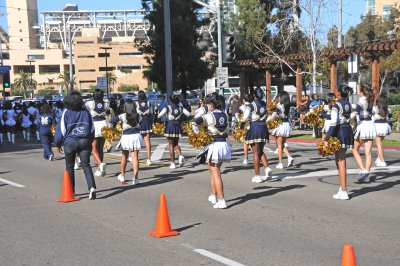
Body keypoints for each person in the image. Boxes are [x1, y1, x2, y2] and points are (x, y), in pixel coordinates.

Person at [54, 91, 97, 200]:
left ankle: (71, 190)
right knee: (86, 165)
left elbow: (62, 130)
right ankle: (91, 187)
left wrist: (57, 143)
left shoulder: (66, 112)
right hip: (85, 141)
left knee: (69, 167)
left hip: (70, 142)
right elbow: (92, 128)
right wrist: (90, 140)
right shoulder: (86, 112)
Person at [193, 94, 231, 209]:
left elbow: (195, 122)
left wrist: (197, 134)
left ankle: (222, 200)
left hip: (214, 146)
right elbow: (227, 130)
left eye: (210, 104)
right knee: (213, 171)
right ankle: (213, 195)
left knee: (216, 173)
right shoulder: (225, 115)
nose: (209, 106)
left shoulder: (209, 116)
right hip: (224, 145)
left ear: (212, 105)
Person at [324, 85, 354, 200]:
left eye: (336, 91)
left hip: (340, 131)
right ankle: (342, 188)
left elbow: (334, 123)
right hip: (347, 130)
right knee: (339, 160)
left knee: (341, 162)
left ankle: (344, 190)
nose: (335, 92)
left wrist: (326, 138)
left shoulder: (337, 105)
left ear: (338, 93)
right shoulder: (348, 104)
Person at [241, 88, 272, 182]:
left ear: (254, 95)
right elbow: (268, 116)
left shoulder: (251, 105)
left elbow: (245, 117)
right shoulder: (264, 104)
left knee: (255, 153)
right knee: (260, 151)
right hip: (264, 128)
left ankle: (257, 176)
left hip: (255, 127)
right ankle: (267, 168)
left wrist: (241, 126)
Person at [110, 100, 143, 184]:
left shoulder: (122, 116)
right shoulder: (139, 115)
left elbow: (111, 122)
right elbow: (140, 124)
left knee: (124, 156)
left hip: (126, 137)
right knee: (135, 157)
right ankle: (135, 178)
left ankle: (122, 176)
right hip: (136, 136)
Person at [157, 95, 191, 169]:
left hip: (170, 126)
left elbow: (159, 116)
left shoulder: (168, 107)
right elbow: (189, 114)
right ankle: (180, 155)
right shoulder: (180, 107)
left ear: (171, 100)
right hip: (177, 126)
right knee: (176, 143)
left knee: (171, 144)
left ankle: (173, 163)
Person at [351, 84, 377, 183]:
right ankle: (366, 174)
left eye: (358, 89)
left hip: (362, 125)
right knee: (368, 153)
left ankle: (363, 170)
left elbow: (356, 112)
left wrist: (347, 118)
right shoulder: (370, 99)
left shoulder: (362, 100)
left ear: (362, 91)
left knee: (355, 149)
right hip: (370, 125)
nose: (357, 91)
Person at [85, 89, 109, 177]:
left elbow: (85, 111)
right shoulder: (106, 103)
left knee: (93, 148)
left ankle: (100, 164)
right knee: (100, 148)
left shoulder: (90, 103)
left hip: (94, 125)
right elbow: (107, 113)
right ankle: (100, 169)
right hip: (104, 125)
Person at [267, 91, 294, 169]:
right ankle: (289, 157)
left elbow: (274, 116)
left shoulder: (279, 106)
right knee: (281, 144)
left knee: (279, 145)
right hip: (286, 125)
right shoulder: (287, 105)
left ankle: (280, 162)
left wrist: (268, 120)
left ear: (281, 98)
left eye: (279, 96)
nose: (278, 98)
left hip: (281, 126)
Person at [137, 90, 153, 165]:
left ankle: (134, 157)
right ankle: (149, 159)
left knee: (137, 141)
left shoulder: (136, 103)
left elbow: (135, 114)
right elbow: (151, 113)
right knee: (147, 141)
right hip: (146, 122)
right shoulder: (148, 103)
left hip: (139, 123)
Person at [236, 96, 251, 165]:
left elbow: (236, 113)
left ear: (244, 100)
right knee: (253, 142)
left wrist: (239, 120)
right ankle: (258, 156)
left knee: (245, 142)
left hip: (244, 126)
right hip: (253, 125)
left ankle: (246, 158)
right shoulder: (252, 105)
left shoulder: (242, 107)